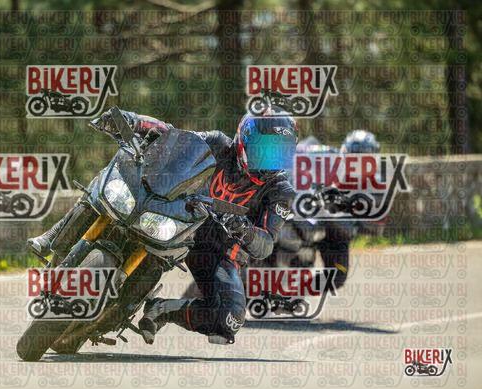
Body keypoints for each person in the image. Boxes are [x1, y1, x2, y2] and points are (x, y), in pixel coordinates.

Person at [27, 108, 297, 344]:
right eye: (264, 151)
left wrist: (245, 230)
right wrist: (132, 121)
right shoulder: (218, 144)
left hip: (217, 249)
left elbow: (266, 244)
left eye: (278, 153)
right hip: (180, 217)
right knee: (112, 179)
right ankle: (54, 235)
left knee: (230, 319)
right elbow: (171, 134)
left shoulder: (280, 191)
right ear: (244, 139)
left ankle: (162, 310)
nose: (269, 161)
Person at [272, 131, 382, 289]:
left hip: (338, 230)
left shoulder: (373, 184)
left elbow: (373, 222)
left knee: (337, 277)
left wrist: (353, 220)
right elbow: (302, 151)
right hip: (311, 212)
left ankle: (297, 289)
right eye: (355, 157)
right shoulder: (328, 155)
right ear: (345, 151)